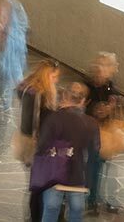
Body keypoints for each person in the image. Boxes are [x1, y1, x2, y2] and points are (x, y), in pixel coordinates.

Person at [36, 82, 101, 222]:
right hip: (78, 178)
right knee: (76, 212)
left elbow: (41, 147)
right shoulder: (91, 123)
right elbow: (95, 151)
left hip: (54, 177)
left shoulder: (53, 118)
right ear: (84, 101)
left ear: (65, 96)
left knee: (51, 210)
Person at [17, 60, 61, 222]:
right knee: (38, 185)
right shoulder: (35, 93)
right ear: (46, 75)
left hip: (42, 143)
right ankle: (35, 217)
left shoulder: (40, 91)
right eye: (54, 76)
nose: (56, 80)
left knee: (40, 183)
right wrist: (37, 145)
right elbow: (32, 122)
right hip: (36, 145)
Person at [85, 52, 121, 215]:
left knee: (105, 168)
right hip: (91, 133)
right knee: (93, 167)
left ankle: (104, 199)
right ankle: (92, 200)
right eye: (105, 65)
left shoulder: (110, 86)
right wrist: (99, 110)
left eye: (109, 65)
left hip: (107, 134)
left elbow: (115, 103)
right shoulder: (88, 86)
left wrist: (113, 106)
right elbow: (87, 109)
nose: (114, 68)